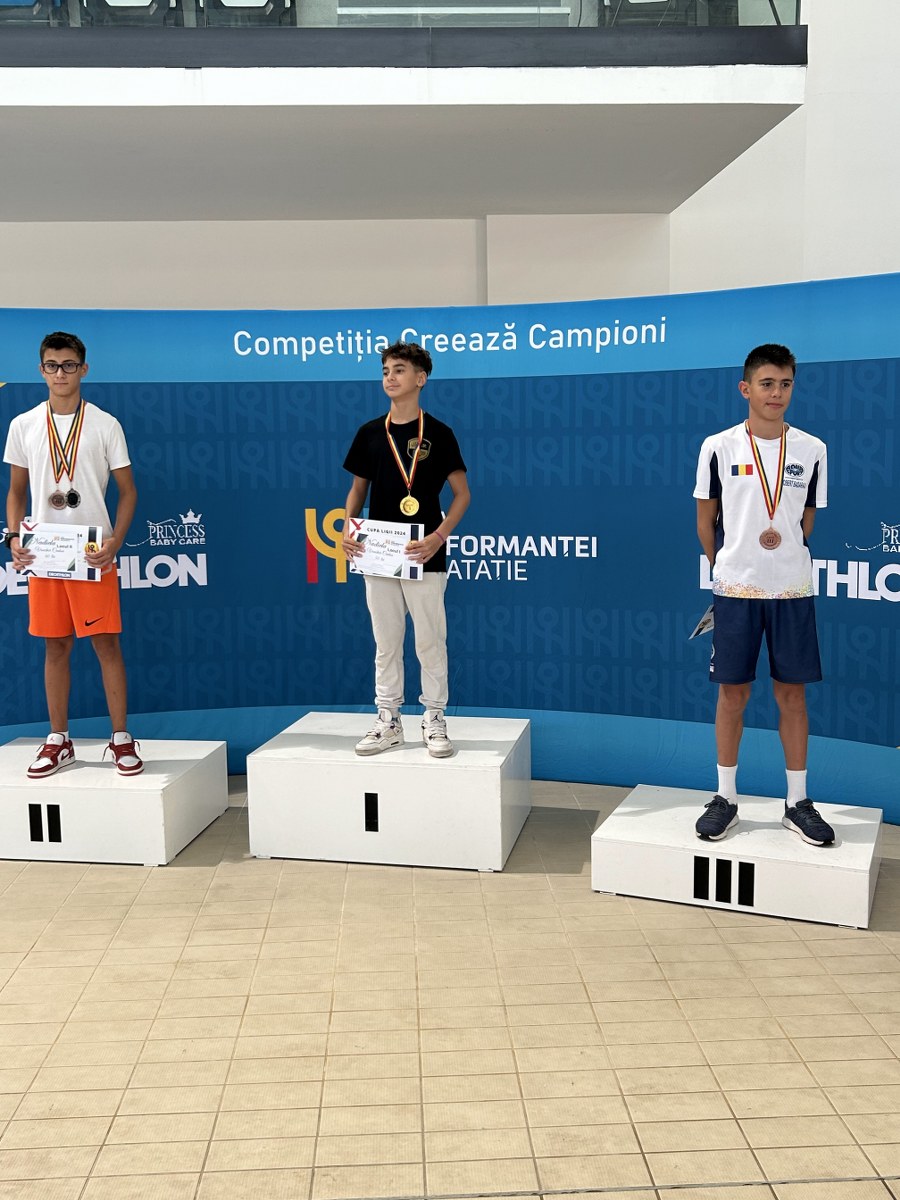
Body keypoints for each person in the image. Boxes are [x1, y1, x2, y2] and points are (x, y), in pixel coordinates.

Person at [693, 343, 833, 846]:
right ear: (745, 388)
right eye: (767, 383)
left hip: (792, 589)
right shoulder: (718, 447)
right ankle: (725, 798)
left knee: (791, 695)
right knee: (733, 694)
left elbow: (805, 522)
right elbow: (705, 521)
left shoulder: (813, 449)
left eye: (786, 384)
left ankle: (797, 803)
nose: (777, 393)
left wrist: (778, 557)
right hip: (736, 588)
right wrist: (730, 567)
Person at [3, 331, 143, 778]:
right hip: (44, 552)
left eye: (68, 365)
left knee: (106, 644)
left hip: (92, 552)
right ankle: (58, 739)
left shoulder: (104, 424)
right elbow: (16, 491)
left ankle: (121, 737)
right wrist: (13, 537)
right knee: (56, 645)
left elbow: (128, 491)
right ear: (41, 370)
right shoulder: (24, 424)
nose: (60, 373)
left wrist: (115, 541)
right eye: (52, 365)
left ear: (84, 369)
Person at [341, 341, 469, 758]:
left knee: (429, 640)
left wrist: (438, 537)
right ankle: (388, 719)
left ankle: (434, 717)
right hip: (378, 552)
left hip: (423, 553)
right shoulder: (369, 433)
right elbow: (357, 491)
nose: (390, 377)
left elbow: (463, 495)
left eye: (398, 370)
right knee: (386, 641)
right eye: (385, 371)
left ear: (421, 378)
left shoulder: (440, 433)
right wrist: (347, 527)